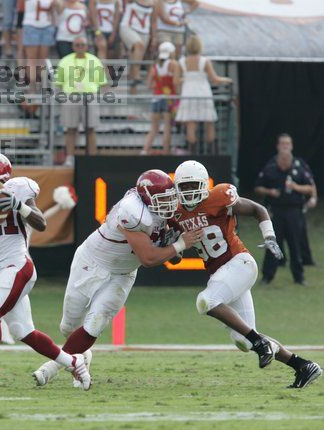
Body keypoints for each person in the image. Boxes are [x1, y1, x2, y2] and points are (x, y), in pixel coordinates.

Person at [33, 169, 200, 388]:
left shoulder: (164, 207)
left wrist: (173, 245)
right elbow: (149, 258)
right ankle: (82, 355)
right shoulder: (132, 211)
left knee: (95, 322)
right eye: (162, 199)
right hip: (92, 262)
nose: (168, 204)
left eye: (170, 198)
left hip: (123, 273)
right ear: (146, 197)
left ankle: (52, 367)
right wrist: (179, 245)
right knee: (69, 326)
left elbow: (173, 258)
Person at [171, 160, 321, 388]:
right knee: (243, 339)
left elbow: (257, 209)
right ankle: (303, 366)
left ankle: (261, 343)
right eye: (185, 187)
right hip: (220, 274)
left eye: (193, 185)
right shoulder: (176, 214)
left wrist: (269, 236)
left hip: (239, 263)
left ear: (203, 184)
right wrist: (176, 244)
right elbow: (175, 259)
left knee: (206, 301)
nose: (190, 191)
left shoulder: (219, 196)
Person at [0, 151, 91, 390]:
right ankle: (73, 362)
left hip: (17, 264)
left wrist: (20, 207)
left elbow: (41, 222)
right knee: (22, 331)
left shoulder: (18, 189)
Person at [254, 134, 315, 286]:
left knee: (295, 244)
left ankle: (299, 277)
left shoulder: (300, 166)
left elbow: (310, 187)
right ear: (278, 146)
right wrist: (270, 192)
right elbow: (258, 187)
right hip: (276, 211)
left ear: (292, 146)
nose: (285, 146)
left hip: (294, 211)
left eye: (288, 143)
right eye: (282, 143)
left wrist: (296, 187)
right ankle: (267, 276)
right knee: (273, 244)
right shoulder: (270, 167)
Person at [175, 35, 231, 155]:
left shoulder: (181, 62)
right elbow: (215, 79)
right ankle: (213, 152)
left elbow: (175, 81)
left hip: (188, 93)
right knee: (209, 122)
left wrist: (187, 78)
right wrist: (227, 80)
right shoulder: (205, 61)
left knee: (190, 123)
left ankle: (192, 152)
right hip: (203, 92)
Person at [55, 35, 107, 164]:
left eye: (82, 45)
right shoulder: (65, 61)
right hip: (71, 96)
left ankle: (92, 157)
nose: (80, 47)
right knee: (70, 128)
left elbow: (102, 81)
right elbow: (58, 82)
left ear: (87, 46)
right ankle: (70, 157)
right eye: (77, 45)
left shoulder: (94, 60)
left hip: (90, 96)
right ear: (73, 46)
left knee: (91, 128)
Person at [141, 41, 177, 155]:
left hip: (156, 98)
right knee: (167, 128)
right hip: (168, 99)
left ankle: (145, 150)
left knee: (154, 128)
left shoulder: (155, 66)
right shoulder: (173, 64)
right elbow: (175, 83)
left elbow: (148, 85)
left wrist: (158, 85)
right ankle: (166, 152)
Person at [19, 0, 58, 90]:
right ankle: (32, 87)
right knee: (32, 58)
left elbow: (59, 7)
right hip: (31, 25)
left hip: (47, 26)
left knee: (42, 59)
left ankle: (41, 84)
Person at [119, 0, 154, 92]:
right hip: (128, 27)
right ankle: (136, 75)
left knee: (135, 58)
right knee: (139, 45)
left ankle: (132, 91)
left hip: (144, 31)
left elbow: (153, 21)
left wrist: (154, 38)